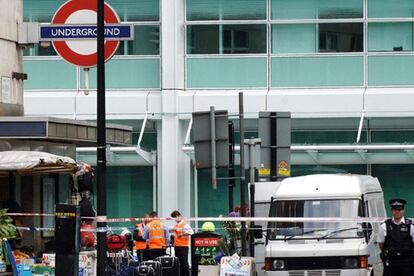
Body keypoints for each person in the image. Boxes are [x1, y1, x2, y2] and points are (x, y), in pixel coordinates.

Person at [377, 198, 414, 276]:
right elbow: (381, 244)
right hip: (391, 262)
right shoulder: (384, 226)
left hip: (407, 262)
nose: (397, 212)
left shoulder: (411, 226)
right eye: (395, 209)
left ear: (403, 210)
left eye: (399, 209)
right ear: (392, 211)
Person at [171, 210, 193, 276]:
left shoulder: (184, 224)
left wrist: (182, 234)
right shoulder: (176, 225)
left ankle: (187, 274)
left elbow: (191, 232)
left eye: (175, 218)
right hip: (177, 246)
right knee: (179, 262)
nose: (174, 220)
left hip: (183, 246)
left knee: (184, 262)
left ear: (178, 216)